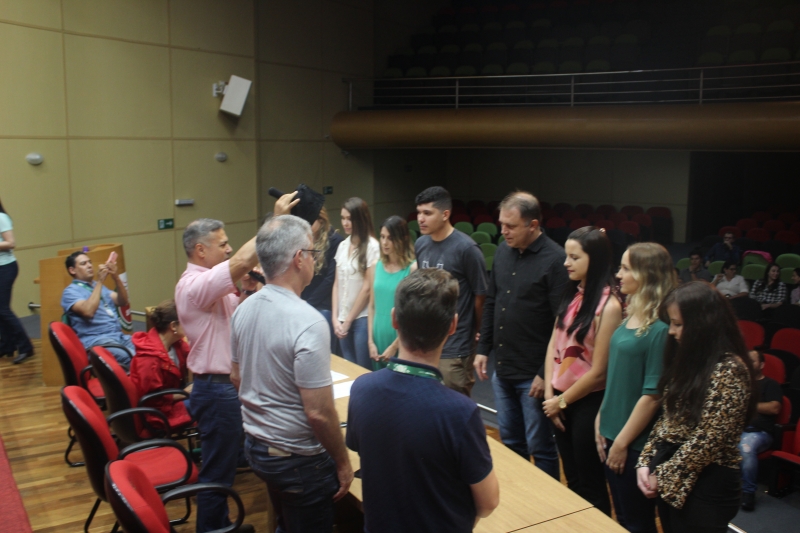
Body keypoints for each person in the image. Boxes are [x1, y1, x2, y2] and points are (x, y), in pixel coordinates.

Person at [175, 193, 295, 533]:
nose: (228, 249)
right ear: (201, 250)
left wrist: (243, 291)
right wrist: (274, 222)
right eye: (222, 244)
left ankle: (220, 524)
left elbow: (231, 320)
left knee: (223, 469)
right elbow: (243, 259)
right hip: (216, 391)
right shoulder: (194, 284)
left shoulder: (212, 287)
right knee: (217, 473)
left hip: (223, 387)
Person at [346, 269, 499, 532]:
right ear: (452, 325)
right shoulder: (460, 412)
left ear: (394, 319)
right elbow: (488, 502)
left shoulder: (361, 389)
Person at [231, 215, 353, 532]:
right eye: (312, 252)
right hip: (297, 461)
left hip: (256, 446)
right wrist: (342, 461)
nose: (314, 259)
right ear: (299, 259)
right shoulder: (308, 321)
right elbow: (319, 414)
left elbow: (236, 377)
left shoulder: (243, 309)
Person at [637, 282, 756, 533]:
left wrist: (663, 475)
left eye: (678, 324)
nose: (671, 331)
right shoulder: (690, 360)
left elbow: (709, 439)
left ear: (704, 324)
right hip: (674, 472)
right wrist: (646, 461)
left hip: (707, 484)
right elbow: (668, 419)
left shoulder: (730, 369)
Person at [474, 191, 566, 478]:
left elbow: (562, 324)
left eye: (511, 226)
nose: (503, 231)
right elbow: (492, 301)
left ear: (533, 225)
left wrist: (544, 373)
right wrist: (483, 348)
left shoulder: (556, 260)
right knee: (511, 442)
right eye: (501, 224)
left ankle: (546, 502)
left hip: (533, 374)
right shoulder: (503, 251)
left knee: (541, 447)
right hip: (503, 368)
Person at [541, 227, 622, 515]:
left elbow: (599, 371)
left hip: (586, 401)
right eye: (567, 256)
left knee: (591, 484)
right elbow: (553, 344)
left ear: (595, 259)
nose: (567, 263)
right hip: (558, 399)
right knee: (572, 480)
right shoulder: (572, 294)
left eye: (574, 257)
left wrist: (560, 401)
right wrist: (550, 394)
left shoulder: (609, 306)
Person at [596, 243, 676, 533]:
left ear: (647, 275)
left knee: (637, 523)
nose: (618, 274)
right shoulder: (631, 315)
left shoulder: (661, 329)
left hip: (634, 443)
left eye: (626, 268)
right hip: (612, 432)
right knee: (623, 518)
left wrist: (621, 443)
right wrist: (601, 418)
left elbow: (652, 396)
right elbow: (618, 377)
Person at [416, 186, 487, 396]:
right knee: (426, 400)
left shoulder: (467, 249)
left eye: (427, 213)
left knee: (454, 402)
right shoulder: (420, 244)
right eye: (419, 212)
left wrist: (476, 330)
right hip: (426, 342)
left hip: (455, 344)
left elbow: (481, 296)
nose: (421, 219)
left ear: (445, 214)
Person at [61, 250, 133, 368]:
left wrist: (115, 277)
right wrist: (100, 281)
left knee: (149, 351)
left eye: (90, 262)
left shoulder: (97, 286)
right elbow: (88, 311)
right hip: (97, 342)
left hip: (118, 336)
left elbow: (123, 301)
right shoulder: (70, 292)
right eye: (83, 264)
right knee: (133, 358)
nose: (89, 265)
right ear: (72, 270)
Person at [129, 299, 191, 432]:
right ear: (173, 326)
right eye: (186, 321)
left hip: (171, 394)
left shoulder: (175, 343)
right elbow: (153, 399)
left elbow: (192, 354)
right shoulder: (150, 359)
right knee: (208, 401)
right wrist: (185, 393)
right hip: (157, 413)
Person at [332, 197, 379, 369]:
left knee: (362, 369)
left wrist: (348, 321)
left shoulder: (373, 246)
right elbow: (336, 284)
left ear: (360, 219)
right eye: (343, 218)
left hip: (361, 317)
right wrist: (335, 318)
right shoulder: (342, 245)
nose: (345, 223)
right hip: (342, 317)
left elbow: (367, 288)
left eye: (349, 219)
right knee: (348, 368)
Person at [368, 215, 416, 370]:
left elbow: (411, 314)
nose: (384, 242)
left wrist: (395, 346)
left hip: (399, 337)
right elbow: (372, 306)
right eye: (382, 237)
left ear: (402, 239)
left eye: (390, 238)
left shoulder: (412, 268)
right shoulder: (375, 265)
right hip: (377, 334)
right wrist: (370, 341)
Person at [738, 350, 782, 511]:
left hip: (760, 433)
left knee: (746, 446)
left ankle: (748, 492)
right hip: (739, 429)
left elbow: (774, 408)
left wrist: (748, 405)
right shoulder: (740, 384)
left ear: (761, 365)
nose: (749, 364)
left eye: (753, 361)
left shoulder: (770, 384)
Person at [301, 207, 344, 354]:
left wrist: (309, 303)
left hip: (325, 302)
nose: (306, 226)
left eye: (310, 222)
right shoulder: (304, 240)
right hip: (305, 300)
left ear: (321, 220)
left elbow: (330, 279)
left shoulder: (335, 241)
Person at [0, 199, 34, 364]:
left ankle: (26, 347)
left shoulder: (1, 217)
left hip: (6, 268)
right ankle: (7, 345)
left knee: (3, 309)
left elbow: (11, 243)